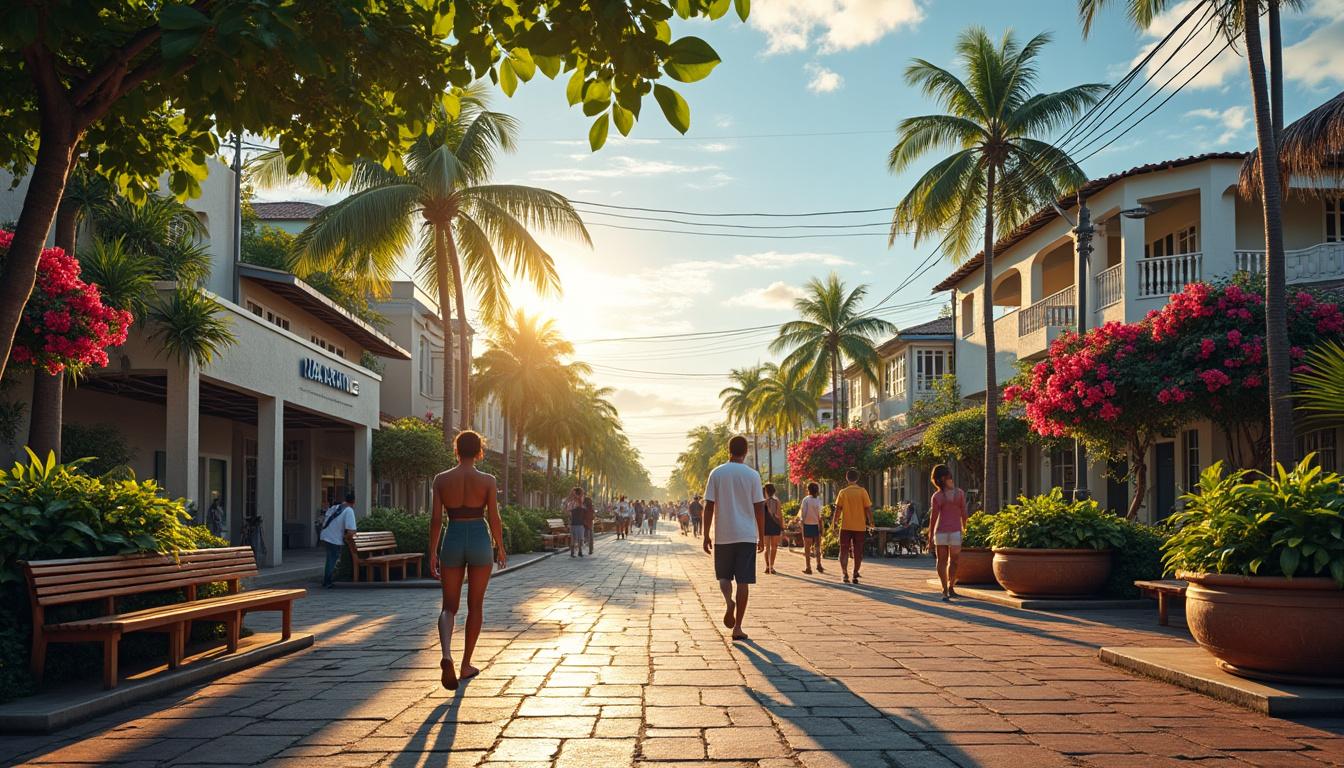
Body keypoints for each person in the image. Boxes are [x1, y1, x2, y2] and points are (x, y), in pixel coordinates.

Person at [428, 430, 507, 690]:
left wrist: (432, 552)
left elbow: (436, 520)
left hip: (452, 537)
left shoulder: (441, 479)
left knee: (448, 606)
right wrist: (501, 547)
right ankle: (465, 664)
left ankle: (446, 654)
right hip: (478, 538)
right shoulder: (487, 480)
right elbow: (494, 517)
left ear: (456, 450)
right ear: (480, 451)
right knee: (476, 605)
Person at [702, 435, 765, 641]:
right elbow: (759, 508)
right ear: (746, 451)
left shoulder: (717, 473)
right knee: (743, 581)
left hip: (723, 535)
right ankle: (737, 627)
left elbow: (709, 505)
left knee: (724, 577)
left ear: (728, 450)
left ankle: (729, 601)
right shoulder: (752, 475)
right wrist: (761, 537)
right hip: (747, 535)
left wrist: (705, 534)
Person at [928, 464, 969, 601]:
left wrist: (966, 527)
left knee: (954, 560)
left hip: (955, 531)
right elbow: (933, 517)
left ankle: (951, 586)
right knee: (942, 560)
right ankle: (945, 589)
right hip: (941, 532)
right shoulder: (937, 496)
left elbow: (964, 512)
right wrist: (930, 536)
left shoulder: (960, 493)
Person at [832, 468, 873, 584]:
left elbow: (838, 509)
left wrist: (834, 523)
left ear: (847, 478)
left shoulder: (843, 492)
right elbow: (868, 509)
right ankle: (855, 572)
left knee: (844, 549)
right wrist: (871, 522)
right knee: (858, 551)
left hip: (845, 526)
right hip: (860, 527)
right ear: (857, 478)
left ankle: (845, 573)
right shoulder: (862, 491)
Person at [319, 490, 358, 588]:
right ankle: (327, 581)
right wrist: (345, 538)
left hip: (325, 534)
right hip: (334, 538)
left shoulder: (335, 507)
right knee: (332, 558)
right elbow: (351, 531)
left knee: (330, 558)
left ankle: (327, 580)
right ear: (353, 502)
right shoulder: (349, 510)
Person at [799, 482, 825, 575]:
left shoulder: (806, 500)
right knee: (818, 547)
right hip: (816, 525)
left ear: (808, 490)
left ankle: (808, 567)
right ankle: (819, 564)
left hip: (807, 525)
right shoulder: (818, 500)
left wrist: (802, 524)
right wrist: (821, 526)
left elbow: (803, 514)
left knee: (807, 547)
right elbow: (820, 515)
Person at [761, 483, 783, 575]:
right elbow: (779, 515)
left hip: (767, 525)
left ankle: (769, 566)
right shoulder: (775, 501)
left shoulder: (763, 501)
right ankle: (770, 566)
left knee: (769, 547)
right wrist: (782, 526)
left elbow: (760, 515)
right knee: (773, 547)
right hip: (773, 525)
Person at [565, 487, 586, 558]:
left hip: (574, 523)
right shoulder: (579, 501)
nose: (583, 495)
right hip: (578, 523)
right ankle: (578, 552)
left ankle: (573, 553)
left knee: (574, 538)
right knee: (578, 539)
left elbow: (568, 512)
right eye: (582, 494)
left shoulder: (572, 503)